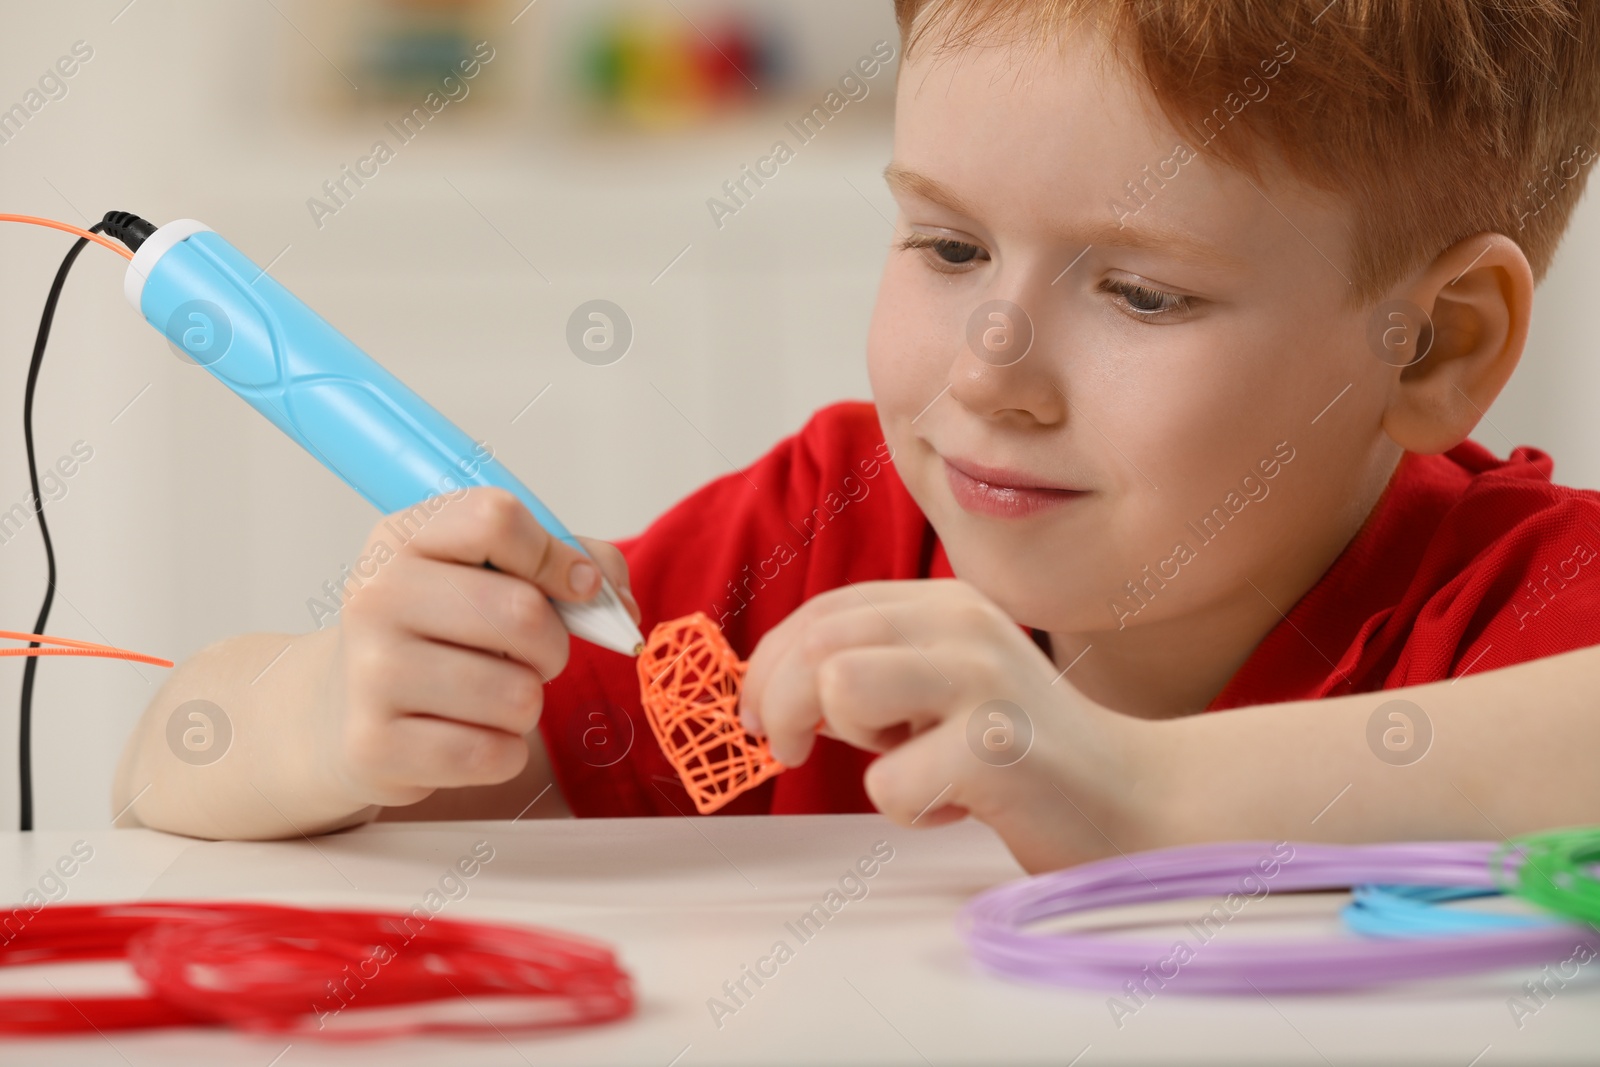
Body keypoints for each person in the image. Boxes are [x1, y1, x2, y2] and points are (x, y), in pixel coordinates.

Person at [114, 0, 1600, 872]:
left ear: (1440, 342)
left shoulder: (1506, 603)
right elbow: (160, 762)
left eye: (1143, 292)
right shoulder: (818, 546)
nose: (991, 371)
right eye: (948, 250)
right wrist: (323, 717)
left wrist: (1139, 795)